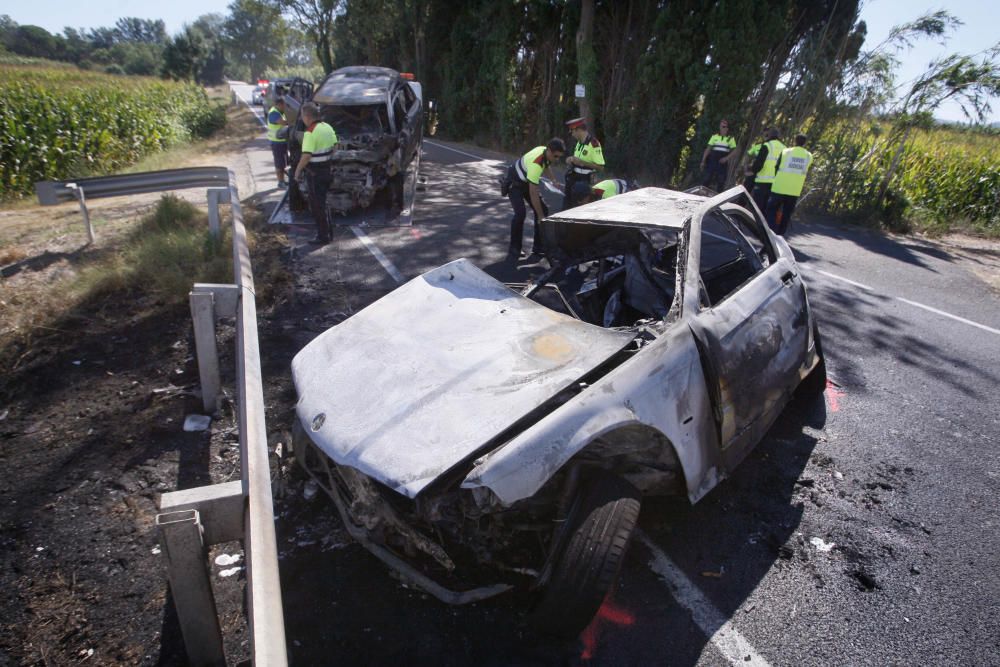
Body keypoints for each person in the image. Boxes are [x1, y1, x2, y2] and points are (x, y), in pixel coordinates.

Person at [507, 138, 565, 257]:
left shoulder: (545, 152)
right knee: (520, 214)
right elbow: (533, 193)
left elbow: (547, 166)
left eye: (559, 157)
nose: (557, 159)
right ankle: (514, 248)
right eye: (555, 156)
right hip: (514, 184)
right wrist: (540, 217)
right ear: (549, 151)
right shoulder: (536, 164)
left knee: (543, 210)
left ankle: (538, 247)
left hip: (525, 181)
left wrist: (553, 180)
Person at [293, 103, 339, 245]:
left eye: (302, 116)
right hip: (327, 170)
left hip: (315, 174)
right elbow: (336, 146)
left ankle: (322, 236)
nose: (302, 118)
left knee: (317, 206)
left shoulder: (310, 132)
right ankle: (328, 233)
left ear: (307, 116)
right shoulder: (327, 127)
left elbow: (306, 156)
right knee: (323, 202)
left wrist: (297, 171)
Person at [765, 134, 813, 236]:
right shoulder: (809, 156)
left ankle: (770, 231)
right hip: (794, 190)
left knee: (771, 210)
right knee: (786, 214)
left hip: (779, 187)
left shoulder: (786, 152)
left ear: (795, 141)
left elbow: (777, 167)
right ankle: (780, 235)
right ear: (805, 143)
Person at [563, 117, 605, 209]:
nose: (572, 134)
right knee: (567, 205)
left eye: (572, 131)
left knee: (580, 207)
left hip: (585, 180)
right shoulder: (579, 143)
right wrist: (570, 160)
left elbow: (601, 167)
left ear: (579, 130)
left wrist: (583, 163)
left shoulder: (594, 144)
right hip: (574, 177)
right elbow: (577, 160)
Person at [748, 127, 785, 213]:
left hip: (762, 181)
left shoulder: (767, 145)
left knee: (757, 207)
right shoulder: (784, 148)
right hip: (776, 182)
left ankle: (754, 225)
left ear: (769, 135)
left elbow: (759, 163)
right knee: (767, 208)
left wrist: (751, 171)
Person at [699, 119, 737, 192]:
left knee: (721, 180)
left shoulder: (731, 138)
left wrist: (726, 158)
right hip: (712, 160)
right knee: (707, 178)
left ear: (727, 128)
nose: (722, 128)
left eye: (724, 126)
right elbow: (708, 149)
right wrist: (703, 161)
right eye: (721, 126)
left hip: (722, 161)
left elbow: (735, 150)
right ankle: (701, 193)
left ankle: (718, 197)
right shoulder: (714, 136)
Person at [267, 97, 290, 188]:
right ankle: (280, 182)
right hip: (277, 143)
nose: (285, 107)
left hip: (281, 142)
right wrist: (293, 121)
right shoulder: (274, 113)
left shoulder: (280, 112)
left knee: (283, 163)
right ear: (279, 104)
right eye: (284, 105)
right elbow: (283, 123)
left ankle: (283, 181)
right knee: (279, 164)